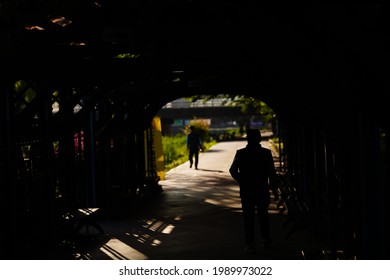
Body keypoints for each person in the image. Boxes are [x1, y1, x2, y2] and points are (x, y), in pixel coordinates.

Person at [229, 129, 279, 253]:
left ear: (248, 139)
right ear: (259, 139)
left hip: (247, 191)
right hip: (262, 189)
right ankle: (266, 241)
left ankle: (250, 244)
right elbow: (271, 173)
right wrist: (274, 189)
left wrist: (242, 180)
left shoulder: (240, 153)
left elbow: (232, 170)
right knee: (263, 216)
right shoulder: (266, 153)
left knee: (248, 218)